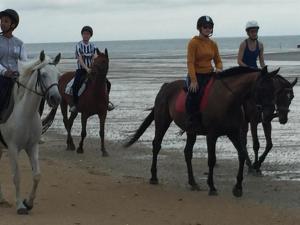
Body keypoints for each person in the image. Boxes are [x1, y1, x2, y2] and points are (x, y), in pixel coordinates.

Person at [186, 15, 223, 130]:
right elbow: (190, 62)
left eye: (210, 27)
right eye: (205, 26)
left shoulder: (213, 44)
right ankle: (192, 120)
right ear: (199, 28)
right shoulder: (193, 43)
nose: (208, 29)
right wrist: (193, 80)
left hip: (210, 74)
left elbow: (218, 60)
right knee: (194, 94)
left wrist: (219, 68)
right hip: (196, 75)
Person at [70, 25, 114, 113]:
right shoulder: (78, 45)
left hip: (92, 69)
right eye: (84, 34)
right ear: (82, 35)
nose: (86, 35)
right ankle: (75, 105)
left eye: (88, 34)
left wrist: (93, 67)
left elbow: (95, 57)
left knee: (107, 83)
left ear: (90, 36)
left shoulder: (93, 46)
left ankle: (106, 102)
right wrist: (86, 69)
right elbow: (80, 59)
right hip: (81, 69)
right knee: (75, 86)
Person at [0, 9, 27, 114]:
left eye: (6, 21)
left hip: (16, 76)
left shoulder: (20, 43)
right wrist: (4, 72)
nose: (2, 23)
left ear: (13, 24)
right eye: (1, 21)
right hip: (1, 76)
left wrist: (20, 72)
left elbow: (24, 62)